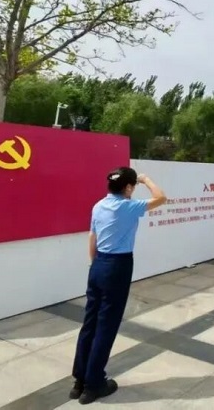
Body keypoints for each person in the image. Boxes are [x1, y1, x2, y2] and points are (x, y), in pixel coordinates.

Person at [70, 168, 167, 404]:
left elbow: (92, 237)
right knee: (107, 324)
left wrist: (95, 265)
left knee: (90, 323)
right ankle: (94, 384)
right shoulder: (127, 207)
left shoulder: (98, 206)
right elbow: (161, 198)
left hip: (98, 265)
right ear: (128, 187)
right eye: (133, 185)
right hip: (117, 266)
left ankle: (79, 381)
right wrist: (146, 179)